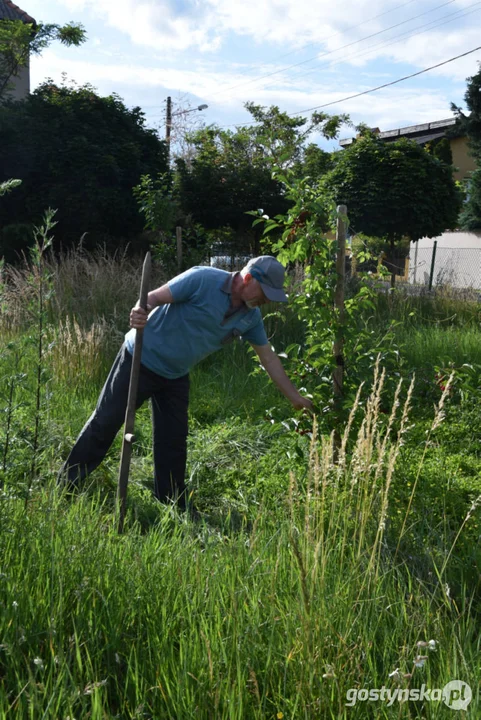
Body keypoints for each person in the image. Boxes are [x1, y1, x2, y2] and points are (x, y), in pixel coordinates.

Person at [58, 256, 312, 509]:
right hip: (140, 358)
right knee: (106, 421)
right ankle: (66, 486)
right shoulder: (202, 279)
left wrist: (295, 398)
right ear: (248, 278)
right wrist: (140, 310)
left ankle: (170, 502)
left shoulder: (250, 317)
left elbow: (267, 357)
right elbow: (153, 297)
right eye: (265, 292)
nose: (266, 300)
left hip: (175, 374)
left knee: (173, 440)